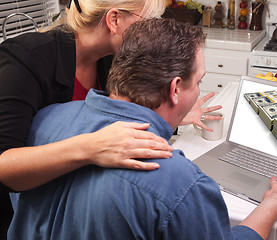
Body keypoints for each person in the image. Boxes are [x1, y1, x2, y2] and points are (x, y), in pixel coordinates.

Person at [8, 18, 277, 240]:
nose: (199, 89)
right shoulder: (179, 184)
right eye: (198, 82)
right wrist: (273, 203)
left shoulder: (44, 121)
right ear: (174, 89)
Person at [0, 0, 221, 236]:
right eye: (147, 21)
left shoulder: (111, 57)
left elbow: (120, 110)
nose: (153, 31)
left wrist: (173, 114)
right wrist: (92, 146)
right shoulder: (25, 60)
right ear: (114, 19)